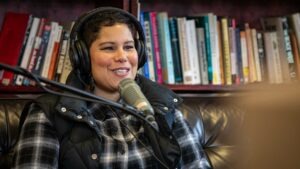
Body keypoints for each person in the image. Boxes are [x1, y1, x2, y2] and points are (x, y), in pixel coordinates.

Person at [12, 7, 209, 169]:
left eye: (129, 47)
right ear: (83, 57)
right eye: (108, 48)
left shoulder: (165, 107)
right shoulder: (47, 114)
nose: (122, 56)